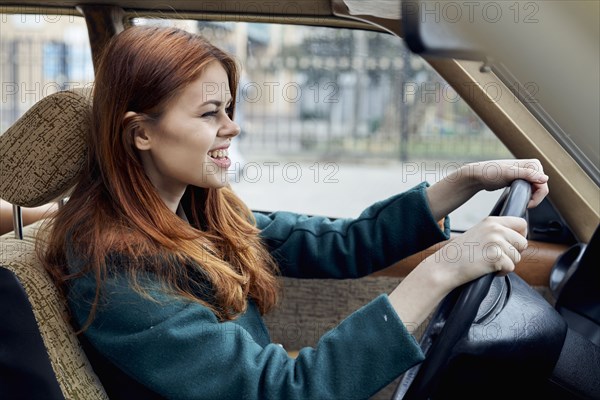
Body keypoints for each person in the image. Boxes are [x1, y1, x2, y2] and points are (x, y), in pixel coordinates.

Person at [40, 26, 549, 399]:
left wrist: (466, 181)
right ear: (141, 133)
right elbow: (281, 392)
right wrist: (440, 270)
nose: (232, 128)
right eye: (209, 113)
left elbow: (342, 244)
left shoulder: (203, 214)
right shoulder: (115, 277)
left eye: (230, 109)